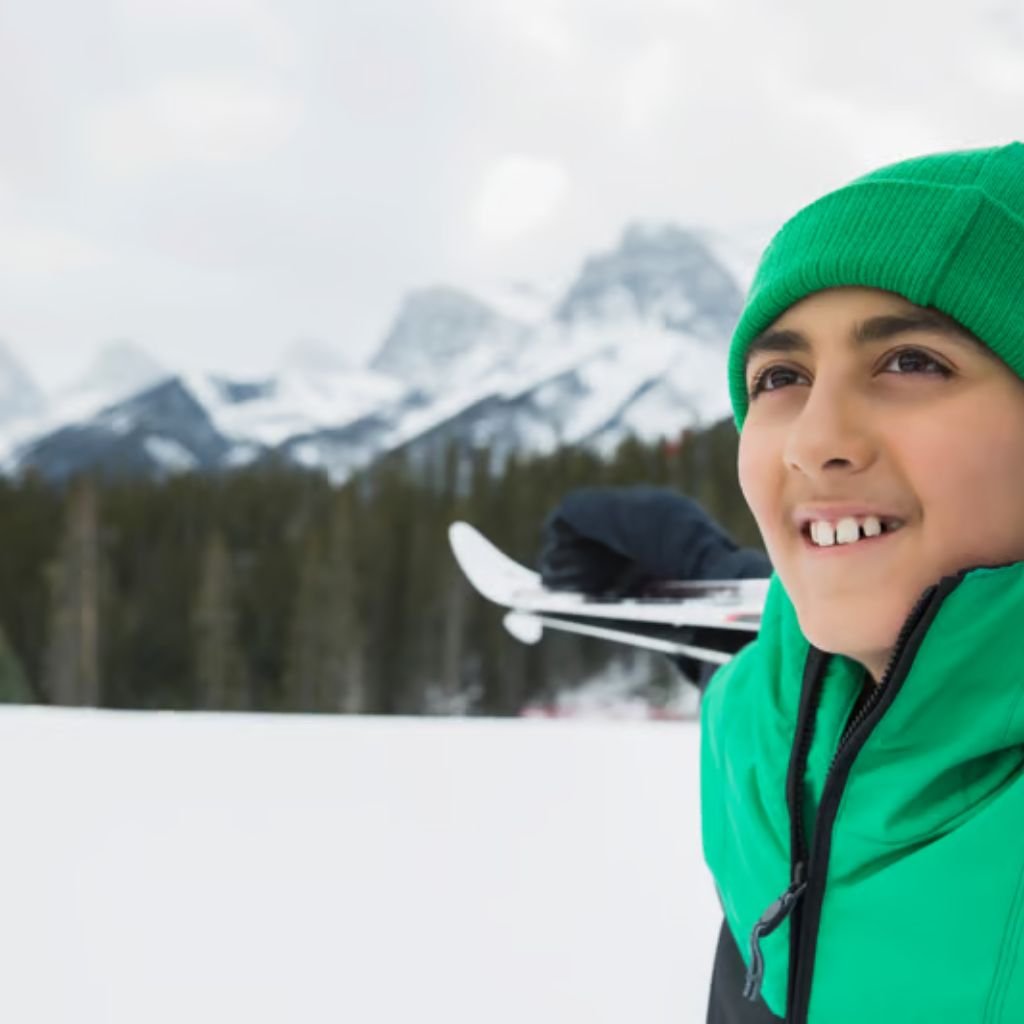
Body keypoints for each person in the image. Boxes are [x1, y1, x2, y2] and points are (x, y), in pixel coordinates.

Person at [538, 142, 1024, 1023]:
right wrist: (690, 562)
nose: (812, 438)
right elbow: (798, 672)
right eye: (781, 377)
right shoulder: (778, 699)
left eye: (912, 362)